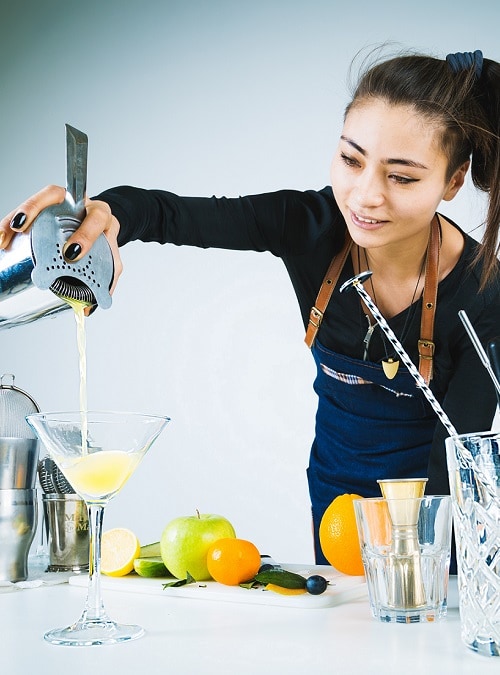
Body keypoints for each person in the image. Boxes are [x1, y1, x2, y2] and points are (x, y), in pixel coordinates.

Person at [2, 48, 500, 564]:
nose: (365, 196)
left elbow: (463, 463)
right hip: (335, 497)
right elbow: (170, 214)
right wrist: (103, 214)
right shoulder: (310, 226)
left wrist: (430, 565)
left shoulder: (483, 293)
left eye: (401, 177)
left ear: (454, 180)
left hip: (434, 514)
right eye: (351, 160)